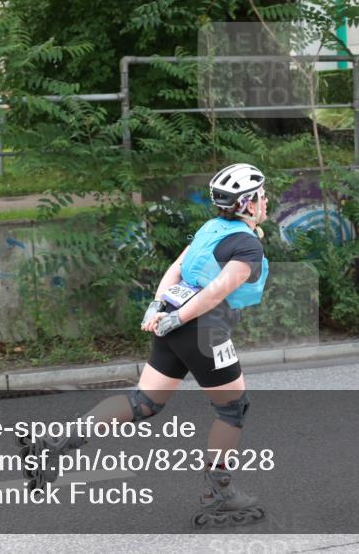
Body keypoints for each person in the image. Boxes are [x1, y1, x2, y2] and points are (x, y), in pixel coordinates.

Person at [17, 163, 270, 527]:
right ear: (247, 203)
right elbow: (219, 290)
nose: (265, 200)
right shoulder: (246, 244)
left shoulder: (212, 228)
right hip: (201, 327)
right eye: (261, 195)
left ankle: (55, 443)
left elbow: (177, 267)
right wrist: (179, 318)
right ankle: (220, 492)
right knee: (233, 409)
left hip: (175, 317)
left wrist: (159, 305)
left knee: (145, 402)